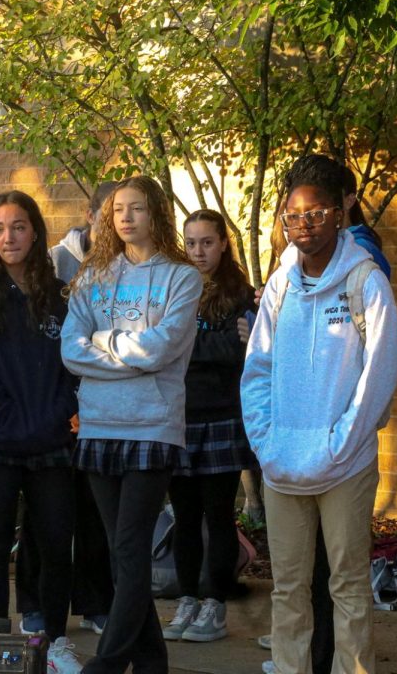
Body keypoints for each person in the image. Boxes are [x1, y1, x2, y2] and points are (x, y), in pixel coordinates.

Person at [241, 155, 397, 674]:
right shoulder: (281, 284)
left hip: (345, 463)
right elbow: (258, 368)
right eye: (293, 215)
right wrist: (266, 440)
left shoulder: (365, 281)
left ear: (339, 215)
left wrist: (341, 442)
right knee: (287, 588)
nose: (304, 225)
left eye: (315, 213)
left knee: (349, 585)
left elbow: (378, 373)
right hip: (282, 462)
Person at [61, 175, 202, 674]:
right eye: (117, 209)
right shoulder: (92, 276)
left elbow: (163, 348)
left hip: (152, 425)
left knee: (129, 546)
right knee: (122, 554)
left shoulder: (183, 277)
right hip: (99, 425)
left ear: (155, 214)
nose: (125, 218)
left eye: (137, 208)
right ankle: (152, 661)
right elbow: (69, 351)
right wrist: (130, 354)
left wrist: (103, 343)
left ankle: (108, 661)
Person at [0, 190, 82, 673]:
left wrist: (56, 417)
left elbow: (74, 366)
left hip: (50, 440)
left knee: (52, 541)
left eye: (19, 226)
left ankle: (53, 640)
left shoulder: (61, 292)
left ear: (36, 231)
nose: (9, 237)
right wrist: (8, 421)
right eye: (0, 229)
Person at [17, 181, 118, 637]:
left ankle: (95, 602)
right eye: (108, 212)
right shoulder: (59, 263)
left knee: (94, 512)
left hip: (101, 406)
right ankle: (34, 604)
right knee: (45, 516)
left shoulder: (131, 269)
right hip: (56, 410)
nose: (116, 222)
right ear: (91, 213)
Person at [159, 209, 255, 644]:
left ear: (223, 244)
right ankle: (189, 601)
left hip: (220, 415)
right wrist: (210, 343)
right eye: (191, 242)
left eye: (207, 242)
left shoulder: (240, 292)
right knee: (184, 515)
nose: (199, 251)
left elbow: (237, 353)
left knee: (218, 515)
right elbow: (167, 345)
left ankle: (215, 604)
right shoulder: (175, 285)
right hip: (179, 415)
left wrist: (189, 346)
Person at [51, 181, 120, 282]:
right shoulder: (56, 258)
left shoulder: (131, 261)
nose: (120, 218)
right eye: (110, 211)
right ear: (91, 216)